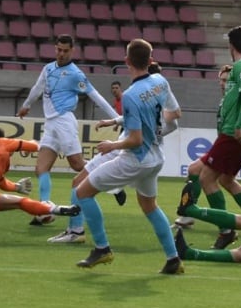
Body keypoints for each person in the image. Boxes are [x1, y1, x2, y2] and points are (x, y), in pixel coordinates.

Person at [73, 39, 184, 274]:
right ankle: (173, 258)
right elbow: (175, 113)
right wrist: (140, 125)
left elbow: (133, 139)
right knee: (149, 206)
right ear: (150, 60)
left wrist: (112, 145)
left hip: (135, 158)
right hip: (156, 157)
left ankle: (102, 248)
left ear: (126, 61)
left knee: (82, 192)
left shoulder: (131, 96)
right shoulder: (160, 82)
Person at [48, 64, 177, 244]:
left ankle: (81, 234)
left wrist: (117, 143)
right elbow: (171, 121)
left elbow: (147, 131)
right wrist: (115, 121)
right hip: (145, 153)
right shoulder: (157, 93)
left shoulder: (138, 92)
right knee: (149, 205)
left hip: (126, 149)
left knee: (79, 184)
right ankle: (173, 255)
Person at [176, 26, 241, 250]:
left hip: (232, 133)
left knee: (206, 179)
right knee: (226, 180)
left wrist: (238, 126)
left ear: (231, 46)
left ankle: (226, 230)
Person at [18, 34, 118, 227]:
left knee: (77, 164)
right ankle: (45, 210)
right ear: (55, 48)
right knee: (41, 169)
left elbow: (94, 95)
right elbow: (37, 88)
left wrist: (115, 118)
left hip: (64, 121)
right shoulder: (48, 69)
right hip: (51, 124)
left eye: (65, 51)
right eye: (58, 50)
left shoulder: (75, 74)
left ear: (72, 51)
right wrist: (26, 105)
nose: (61, 54)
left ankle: (113, 185)